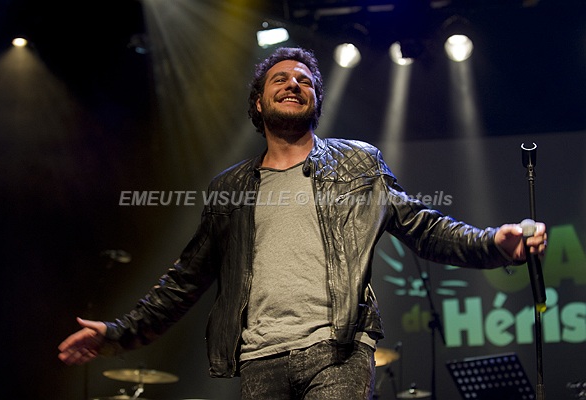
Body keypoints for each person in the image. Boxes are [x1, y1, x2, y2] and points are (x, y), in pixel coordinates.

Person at [58, 47, 547, 400]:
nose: (293, 83)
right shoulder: (230, 189)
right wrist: (117, 333)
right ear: (258, 103)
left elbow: (424, 226)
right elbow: (186, 278)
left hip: (337, 349)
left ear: (315, 100)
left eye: (304, 80)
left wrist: (493, 243)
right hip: (259, 358)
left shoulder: (358, 164)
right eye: (280, 79)